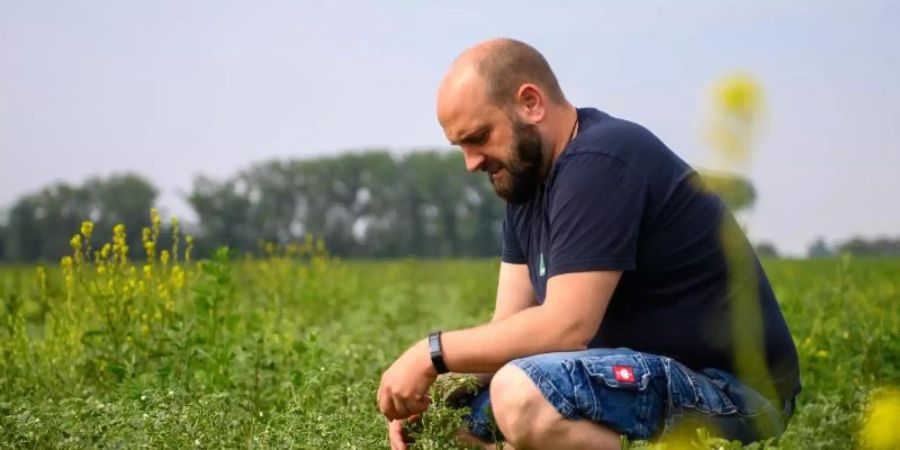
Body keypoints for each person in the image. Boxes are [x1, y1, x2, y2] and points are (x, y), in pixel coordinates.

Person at [377, 38, 800, 450]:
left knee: (520, 396)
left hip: (729, 391)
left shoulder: (602, 160)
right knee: (447, 419)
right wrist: (434, 398)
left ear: (531, 103)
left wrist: (430, 354)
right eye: (461, 147)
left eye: (479, 137)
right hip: (632, 383)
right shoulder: (525, 187)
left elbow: (566, 327)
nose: (471, 162)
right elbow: (509, 326)